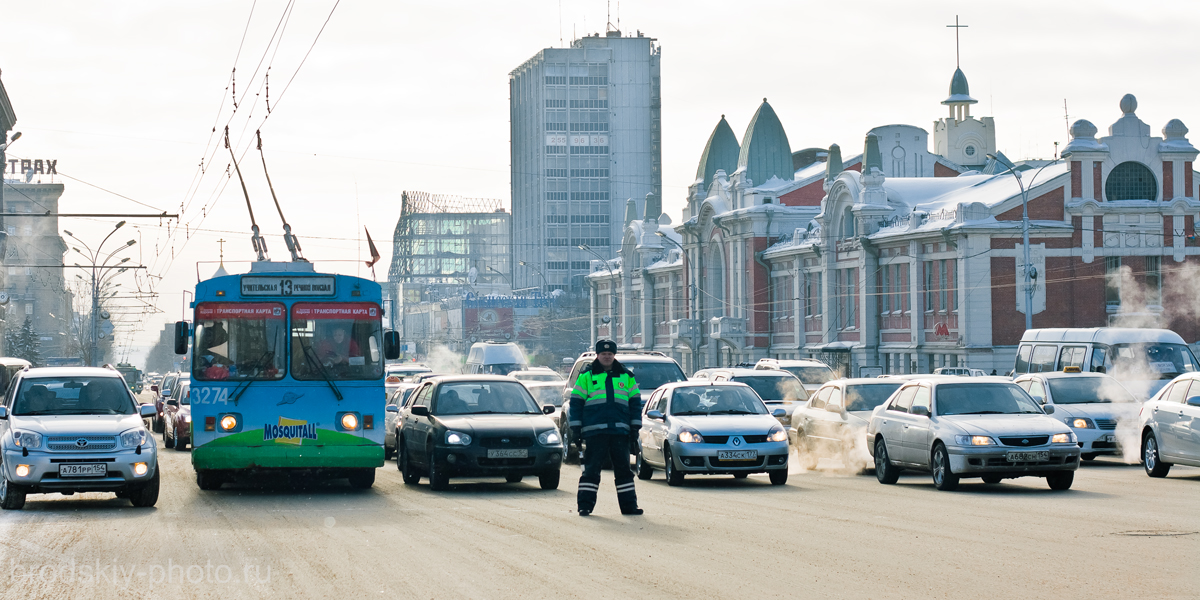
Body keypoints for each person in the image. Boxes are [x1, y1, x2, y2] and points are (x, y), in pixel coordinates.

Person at [568, 339, 643, 516]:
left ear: (614, 355)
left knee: (624, 471)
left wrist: (635, 428)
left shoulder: (626, 376)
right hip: (595, 432)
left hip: (620, 432)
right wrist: (575, 429)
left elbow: (635, 404)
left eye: (610, 354)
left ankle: (629, 507)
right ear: (598, 355)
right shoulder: (586, 376)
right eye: (604, 354)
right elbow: (576, 404)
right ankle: (585, 506)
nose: (607, 357)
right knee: (591, 470)